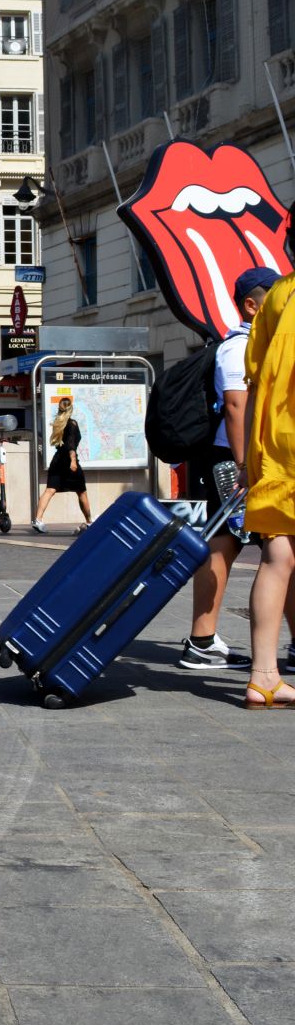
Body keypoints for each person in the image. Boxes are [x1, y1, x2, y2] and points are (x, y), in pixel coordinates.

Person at [179, 268, 280, 670]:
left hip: (250, 460)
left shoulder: (263, 343)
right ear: (252, 306)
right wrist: (243, 467)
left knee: (263, 545)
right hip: (234, 461)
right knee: (228, 544)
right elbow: (237, 407)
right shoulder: (238, 347)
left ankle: (204, 641)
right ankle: (202, 641)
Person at [240, 258, 295, 707]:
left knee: (278, 557)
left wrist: (248, 459)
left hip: (276, 448)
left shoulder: (276, 296)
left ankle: (263, 675)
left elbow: (255, 383)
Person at [32, 397, 92, 533]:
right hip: (68, 461)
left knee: (50, 490)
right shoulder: (72, 424)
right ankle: (89, 522)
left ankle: (38, 519)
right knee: (81, 491)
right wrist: (73, 460)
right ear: (71, 409)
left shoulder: (59, 423)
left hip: (57, 460)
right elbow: (71, 443)